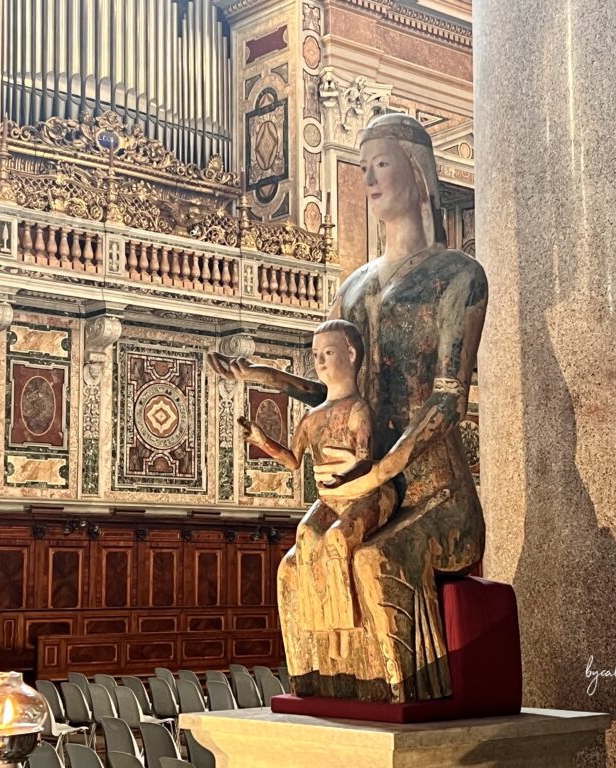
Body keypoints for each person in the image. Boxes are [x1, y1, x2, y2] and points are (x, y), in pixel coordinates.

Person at [209, 113, 488, 702]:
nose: (369, 179)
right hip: (364, 489)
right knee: (294, 567)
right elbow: (340, 397)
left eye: (380, 164)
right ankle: (324, 691)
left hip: (434, 491)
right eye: (362, 168)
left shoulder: (459, 275)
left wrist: (389, 466)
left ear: (417, 170)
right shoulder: (353, 288)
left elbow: (447, 400)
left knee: (374, 561)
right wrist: (266, 377)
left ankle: (411, 701)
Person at [238, 320, 396, 662]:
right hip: (331, 498)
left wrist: (345, 478)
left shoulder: (358, 409)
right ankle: (320, 632)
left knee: (337, 540)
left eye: (328, 353)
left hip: (365, 495)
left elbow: (367, 460)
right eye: (315, 355)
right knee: (306, 536)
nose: (320, 362)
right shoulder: (312, 418)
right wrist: (260, 439)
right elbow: (294, 461)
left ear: (351, 354)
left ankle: (347, 633)